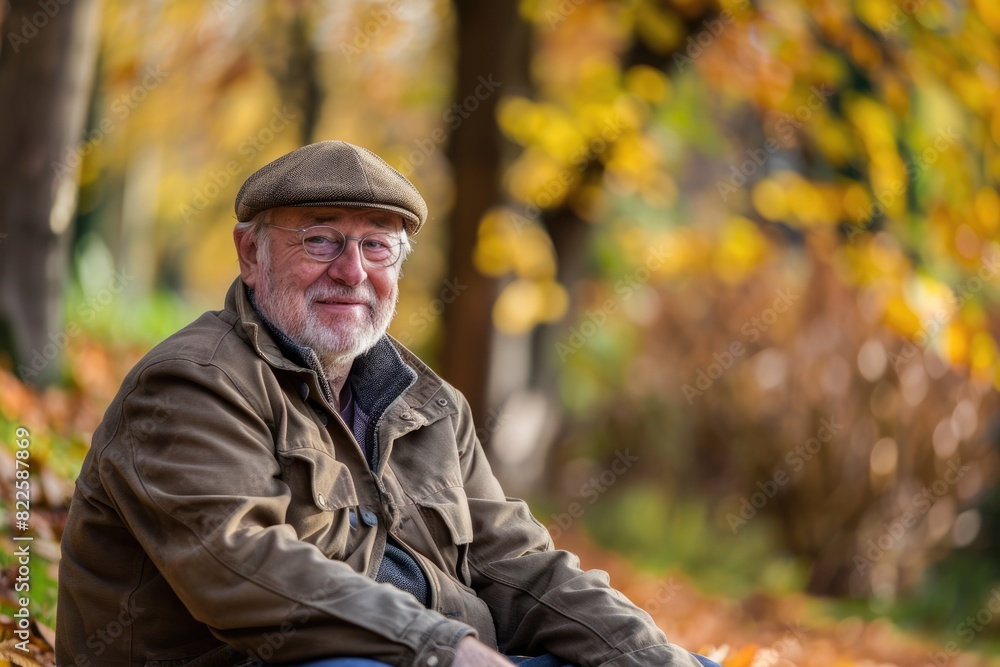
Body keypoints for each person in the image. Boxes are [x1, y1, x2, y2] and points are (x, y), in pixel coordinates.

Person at [56, 141, 721, 667]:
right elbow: (244, 568)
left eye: (377, 245)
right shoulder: (191, 383)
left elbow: (517, 565)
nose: (352, 271)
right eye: (320, 240)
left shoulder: (431, 405)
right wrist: (447, 648)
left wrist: (651, 657)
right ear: (250, 253)